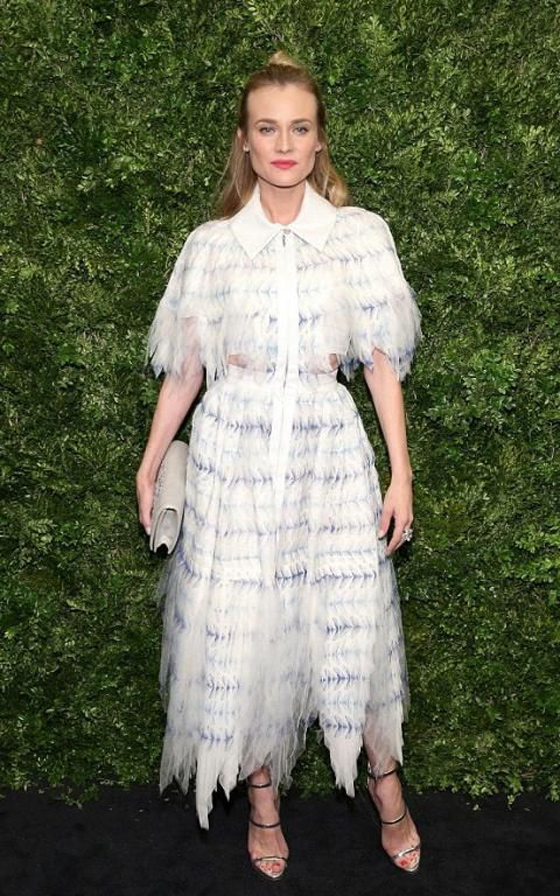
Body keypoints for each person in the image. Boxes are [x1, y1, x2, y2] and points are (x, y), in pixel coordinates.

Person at [136, 50, 424, 881]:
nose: (285, 144)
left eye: (300, 128)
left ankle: (386, 786)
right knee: (240, 628)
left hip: (330, 456)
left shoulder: (359, 237)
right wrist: (151, 464)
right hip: (232, 457)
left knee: (352, 623)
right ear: (245, 140)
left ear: (320, 138)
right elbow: (185, 371)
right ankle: (260, 804)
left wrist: (401, 474)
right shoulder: (211, 248)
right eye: (268, 129)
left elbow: (381, 366)